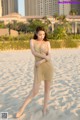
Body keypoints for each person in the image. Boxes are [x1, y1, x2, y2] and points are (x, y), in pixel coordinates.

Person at [16, 26, 54, 118]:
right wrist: (44, 57)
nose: (42, 36)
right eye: (40, 34)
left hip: (47, 67)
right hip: (38, 68)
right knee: (35, 91)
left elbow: (49, 57)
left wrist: (41, 61)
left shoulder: (47, 42)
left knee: (47, 90)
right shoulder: (32, 41)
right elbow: (34, 52)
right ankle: (21, 109)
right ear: (36, 33)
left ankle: (44, 108)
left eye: (43, 34)